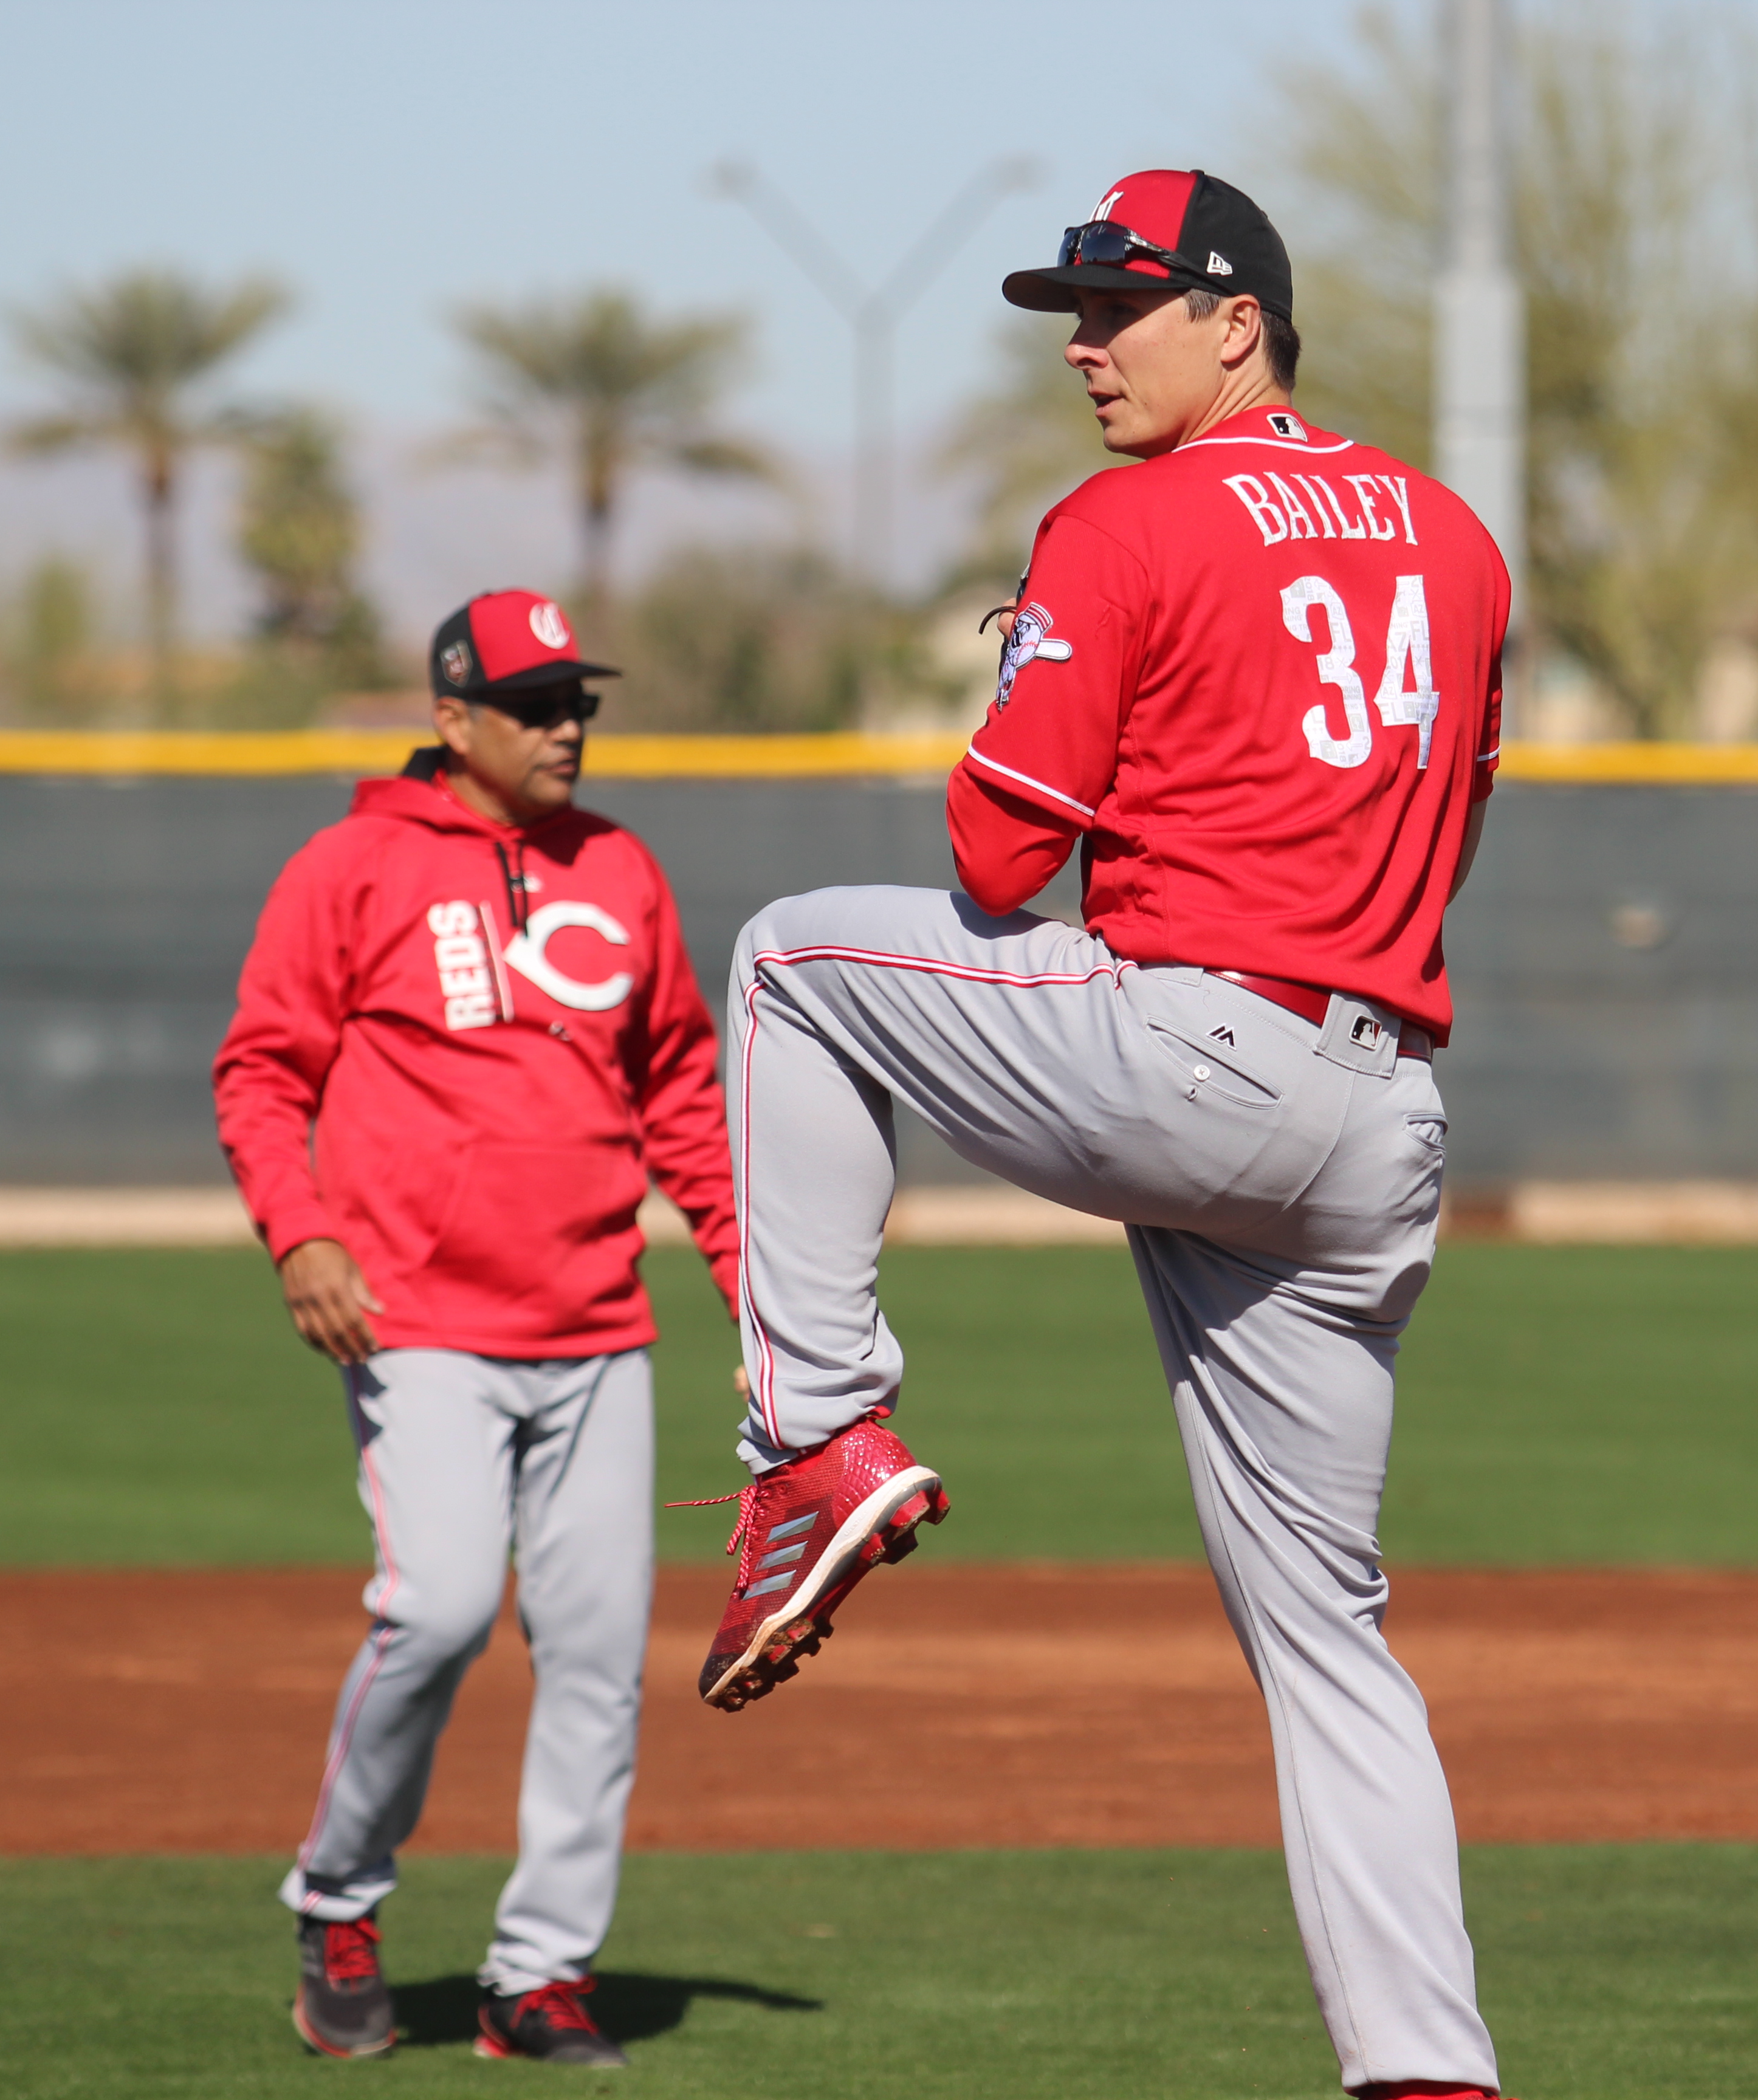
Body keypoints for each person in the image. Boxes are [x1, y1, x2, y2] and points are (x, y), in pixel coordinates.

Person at [694, 169, 1513, 2099]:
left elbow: (997, 854)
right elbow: (1451, 819)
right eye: (1073, 304)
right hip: (1381, 1122)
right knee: (1332, 1640)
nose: (1082, 340)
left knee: (791, 959)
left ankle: (813, 1440)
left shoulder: (1131, 519)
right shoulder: (1460, 538)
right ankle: (1430, 2076)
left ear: (1242, 322)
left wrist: (1037, 665)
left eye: (1121, 304)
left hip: (1194, 1054)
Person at [213, 590, 741, 2068]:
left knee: (594, 1657)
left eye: (580, 698)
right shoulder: (353, 866)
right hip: (418, 1315)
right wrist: (301, 1232)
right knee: (435, 1610)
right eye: (535, 702)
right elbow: (259, 1070)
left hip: (594, 1326)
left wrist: (750, 1264)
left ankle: (541, 1974)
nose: (568, 724)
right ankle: (338, 1896)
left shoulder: (622, 869)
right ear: (455, 720)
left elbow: (682, 1091)